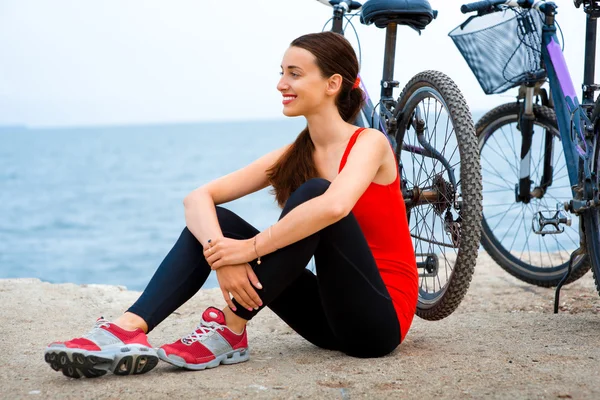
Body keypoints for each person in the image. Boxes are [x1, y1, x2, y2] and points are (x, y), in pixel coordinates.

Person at [44, 31, 418, 379]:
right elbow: (197, 199)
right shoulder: (294, 154)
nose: (281, 84)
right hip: (326, 320)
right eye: (281, 73)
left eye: (295, 74)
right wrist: (222, 259)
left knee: (315, 193)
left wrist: (249, 249)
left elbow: (334, 206)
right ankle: (128, 328)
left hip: (378, 322)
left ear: (332, 84)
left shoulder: (370, 144)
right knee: (215, 221)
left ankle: (229, 325)